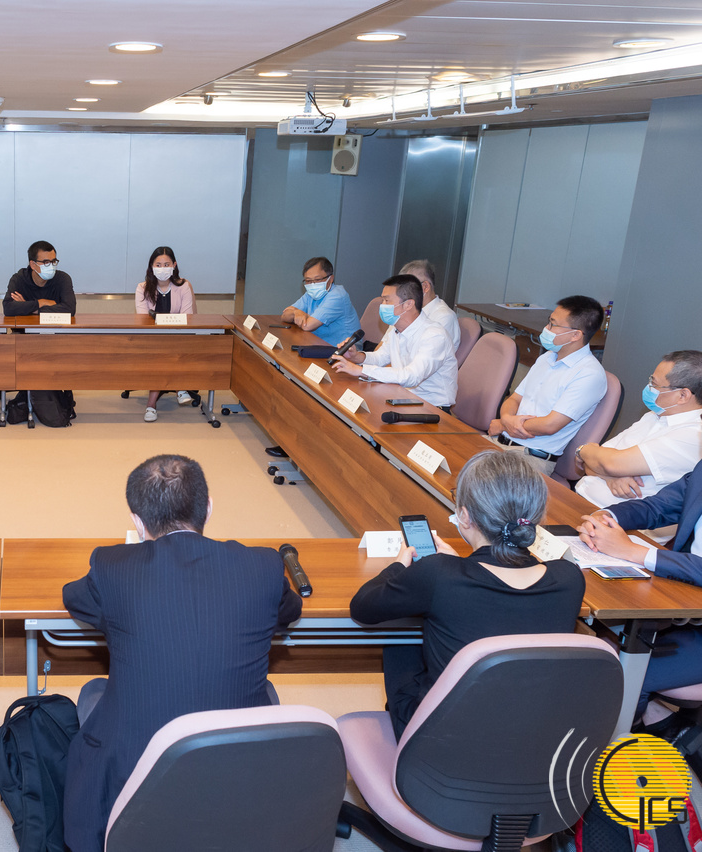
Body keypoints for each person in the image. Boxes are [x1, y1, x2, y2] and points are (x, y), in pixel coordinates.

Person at [62, 454, 302, 852]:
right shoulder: (263, 565)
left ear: (137, 521)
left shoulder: (112, 566)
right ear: (208, 508)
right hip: (241, 764)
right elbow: (289, 612)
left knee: (93, 693)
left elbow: (74, 598)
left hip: (135, 772)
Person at [351, 451, 585, 739]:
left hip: (438, 745)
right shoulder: (570, 579)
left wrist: (399, 565)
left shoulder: (438, 574)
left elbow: (362, 607)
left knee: (401, 641)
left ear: (464, 516)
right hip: (530, 740)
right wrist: (459, 565)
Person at [579, 459, 702, 718]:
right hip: (684, 604)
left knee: (623, 674)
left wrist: (634, 551)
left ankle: (616, 738)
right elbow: (656, 507)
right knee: (595, 639)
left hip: (693, 620)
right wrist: (606, 519)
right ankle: (663, 724)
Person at [488, 295, 606, 475]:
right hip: (500, 442)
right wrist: (506, 419)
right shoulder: (546, 357)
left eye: (553, 324)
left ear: (575, 335)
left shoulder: (589, 374)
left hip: (531, 458)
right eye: (549, 321)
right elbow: (514, 399)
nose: (546, 329)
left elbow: (550, 425)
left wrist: (504, 424)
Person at [574, 350, 702, 508]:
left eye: (654, 384)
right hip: (581, 496)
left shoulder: (694, 435)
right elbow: (591, 463)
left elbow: (610, 462)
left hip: (611, 516)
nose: (649, 387)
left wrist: (584, 450)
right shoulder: (654, 415)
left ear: (682, 395)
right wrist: (609, 476)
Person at [329, 274, 458, 409]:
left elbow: (412, 376)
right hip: (402, 397)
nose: (382, 305)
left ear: (408, 304)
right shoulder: (396, 328)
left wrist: (361, 370)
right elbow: (380, 358)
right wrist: (356, 357)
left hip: (432, 408)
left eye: (386, 301)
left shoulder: (435, 335)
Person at [134, 246, 196, 421]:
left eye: (166, 264)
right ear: (152, 267)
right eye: (158, 265)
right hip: (151, 338)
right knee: (160, 353)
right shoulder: (142, 288)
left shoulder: (184, 286)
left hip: (179, 337)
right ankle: (179, 387)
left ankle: (151, 405)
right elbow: (143, 320)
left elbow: (187, 317)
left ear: (174, 265)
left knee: (165, 353)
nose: (162, 269)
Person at [281, 256, 360, 349]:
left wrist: (300, 314)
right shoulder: (310, 294)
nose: (313, 284)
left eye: (318, 280)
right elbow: (284, 316)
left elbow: (307, 326)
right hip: (317, 343)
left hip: (344, 350)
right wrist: (296, 312)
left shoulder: (338, 296)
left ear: (331, 279)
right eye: (308, 281)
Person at [399, 259, 460, 350]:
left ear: (425, 287)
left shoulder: (444, 317)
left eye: (407, 287)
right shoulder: (406, 309)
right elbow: (386, 344)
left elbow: (429, 354)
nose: (402, 293)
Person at [2, 240, 76, 316]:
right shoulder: (19, 279)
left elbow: (70, 309)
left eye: (53, 261)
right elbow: (8, 308)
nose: (51, 266)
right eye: (46, 262)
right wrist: (41, 302)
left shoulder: (63, 279)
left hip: (53, 324)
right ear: (33, 265)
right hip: (25, 323)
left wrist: (29, 307)